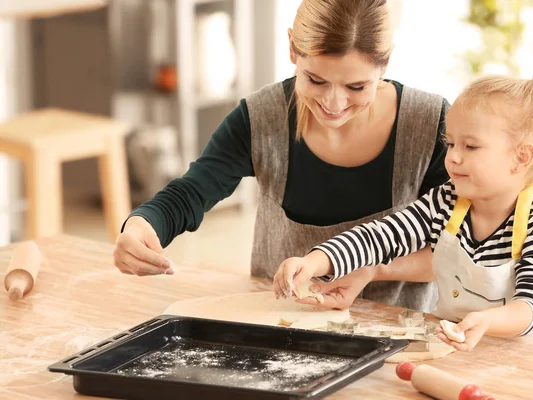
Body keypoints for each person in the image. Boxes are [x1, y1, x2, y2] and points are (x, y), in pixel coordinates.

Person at [111, 0, 451, 312]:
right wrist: (141, 224)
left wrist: (373, 268)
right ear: (292, 49)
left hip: (399, 336)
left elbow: (461, 248)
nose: (333, 104)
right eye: (316, 80)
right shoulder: (261, 116)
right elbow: (192, 191)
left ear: (386, 62)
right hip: (280, 325)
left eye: (356, 87)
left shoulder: (430, 123)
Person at [274, 65, 533, 351]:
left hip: (521, 362)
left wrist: (488, 321)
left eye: (470, 146)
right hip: (452, 348)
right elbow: (381, 236)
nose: (453, 158)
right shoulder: (446, 201)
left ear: (521, 157)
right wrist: (316, 262)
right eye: (451, 144)